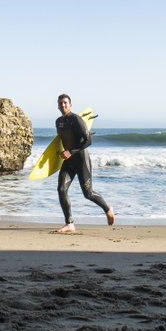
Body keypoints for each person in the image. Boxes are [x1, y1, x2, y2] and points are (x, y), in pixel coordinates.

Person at [53, 93, 113, 233]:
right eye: (60, 103)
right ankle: (69, 224)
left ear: (70, 105)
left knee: (88, 193)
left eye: (65, 103)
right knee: (61, 189)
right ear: (57, 105)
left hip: (81, 160)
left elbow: (88, 141)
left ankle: (108, 209)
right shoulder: (58, 122)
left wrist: (70, 152)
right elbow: (61, 141)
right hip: (68, 161)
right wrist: (60, 153)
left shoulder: (76, 120)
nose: (63, 105)